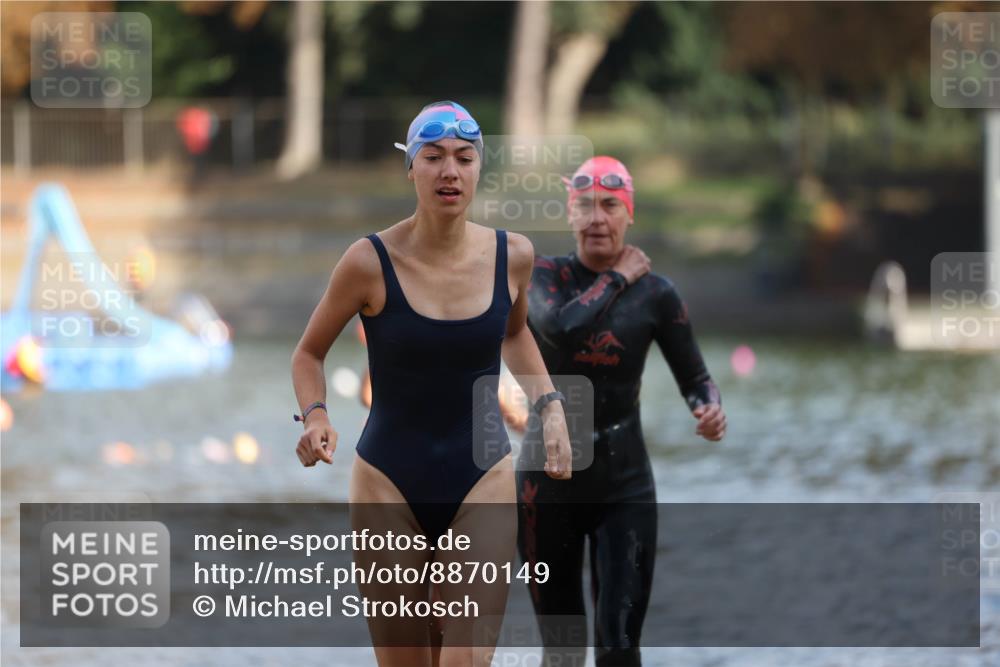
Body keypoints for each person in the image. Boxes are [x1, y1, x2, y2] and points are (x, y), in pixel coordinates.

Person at [290, 101, 572, 667]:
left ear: (478, 168)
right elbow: (309, 353)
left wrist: (551, 407)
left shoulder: (511, 256)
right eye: (434, 157)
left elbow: (514, 335)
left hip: (483, 476)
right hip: (385, 484)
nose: (450, 171)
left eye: (464, 158)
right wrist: (317, 415)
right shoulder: (368, 261)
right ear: (411, 168)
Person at [514, 156, 726, 666]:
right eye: (584, 206)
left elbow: (695, 376)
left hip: (624, 484)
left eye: (609, 206)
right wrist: (617, 277)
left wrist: (709, 407)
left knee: (620, 644)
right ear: (570, 216)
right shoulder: (544, 274)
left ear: (629, 214)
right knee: (562, 650)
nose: (597, 219)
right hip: (546, 481)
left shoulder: (657, 295)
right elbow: (561, 328)